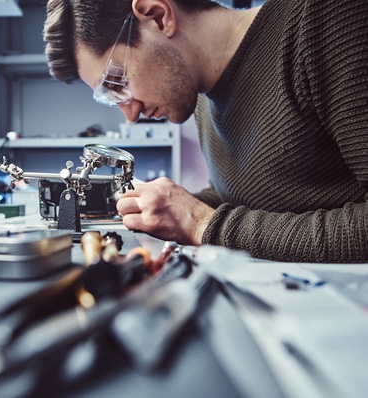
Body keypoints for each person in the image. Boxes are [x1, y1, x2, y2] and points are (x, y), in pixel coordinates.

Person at [44, 0, 368, 263]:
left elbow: (215, 222)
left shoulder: (325, 20)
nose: (130, 115)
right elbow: (243, 199)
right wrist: (164, 211)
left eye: (118, 83)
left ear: (157, 15)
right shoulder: (201, 102)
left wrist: (200, 223)